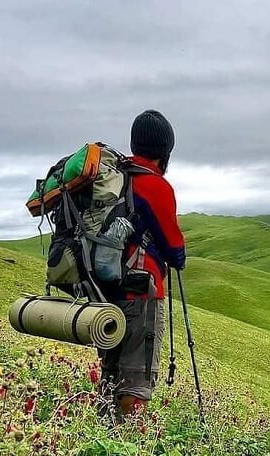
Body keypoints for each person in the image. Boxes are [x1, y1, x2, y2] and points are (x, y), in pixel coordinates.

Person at [99, 110, 186, 418]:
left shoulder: (117, 177)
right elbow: (175, 249)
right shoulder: (156, 186)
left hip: (107, 293)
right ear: (166, 152)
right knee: (135, 383)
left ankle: (99, 442)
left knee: (110, 376)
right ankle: (125, 455)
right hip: (142, 294)